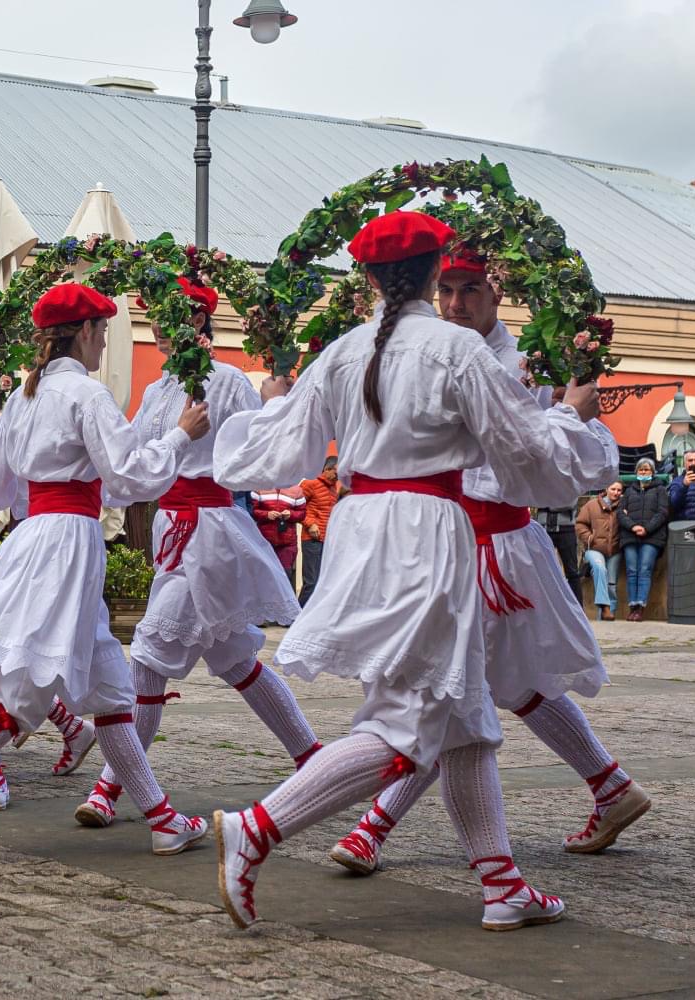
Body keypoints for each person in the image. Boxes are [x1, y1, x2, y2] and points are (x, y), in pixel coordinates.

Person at [209, 212, 609, 932]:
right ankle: (257, 828)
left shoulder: (346, 349)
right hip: (427, 535)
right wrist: (575, 419)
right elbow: (524, 456)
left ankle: (501, 884)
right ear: (433, 273)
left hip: (364, 530)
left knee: (466, 720)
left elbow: (282, 451)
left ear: (366, 279)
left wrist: (269, 406)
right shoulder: (455, 350)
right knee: (402, 724)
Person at [327, 247, 642, 878]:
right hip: (448, 544)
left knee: (446, 690)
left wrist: (562, 414)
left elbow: (582, 454)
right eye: (449, 291)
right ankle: (609, 786)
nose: (455, 304)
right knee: (506, 686)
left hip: (493, 548)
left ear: (498, 293)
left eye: (470, 291)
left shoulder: (524, 363)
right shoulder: (436, 349)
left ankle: (373, 826)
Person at [0, 283, 213, 864]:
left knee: (112, 689)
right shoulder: (87, 393)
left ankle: (162, 820)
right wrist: (180, 436)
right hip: (66, 546)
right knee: (19, 698)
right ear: (85, 332)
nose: (104, 341)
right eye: (103, 331)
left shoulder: (24, 398)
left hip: (41, 539)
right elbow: (130, 476)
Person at [76, 276, 318, 830]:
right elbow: (135, 457)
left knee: (151, 656)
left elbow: (256, 443)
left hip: (209, 532)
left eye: (171, 316)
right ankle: (311, 755)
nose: (158, 327)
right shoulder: (159, 391)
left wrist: (276, 402)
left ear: (200, 320)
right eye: (154, 317)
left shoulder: (228, 381)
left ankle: (113, 787)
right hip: (173, 527)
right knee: (236, 661)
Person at [618, 457, 668, 621]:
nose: (644, 472)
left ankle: (640, 607)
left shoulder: (660, 489)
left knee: (644, 570)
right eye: (641, 469)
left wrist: (647, 529)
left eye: (647, 470)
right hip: (630, 536)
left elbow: (662, 513)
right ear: (636, 472)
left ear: (653, 472)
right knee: (632, 571)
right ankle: (632, 606)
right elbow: (620, 513)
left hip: (651, 537)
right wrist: (633, 527)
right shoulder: (629, 491)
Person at [576, 481, 623, 621]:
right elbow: (580, 524)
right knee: (599, 568)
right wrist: (589, 538)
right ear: (606, 489)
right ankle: (605, 607)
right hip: (594, 548)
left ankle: (605, 619)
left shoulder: (624, 506)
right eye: (613, 489)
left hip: (615, 549)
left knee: (611, 584)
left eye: (619, 490)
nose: (616, 492)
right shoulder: (591, 505)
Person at [297, 457, 338, 605]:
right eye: (336, 472)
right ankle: (298, 615)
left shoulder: (333, 488)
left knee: (322, 581)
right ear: (327, 469)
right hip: (311, 539)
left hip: (326, 540)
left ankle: (311, 616)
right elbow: (298, 508)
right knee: (311, 582)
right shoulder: (310, 483)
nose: (338, 477)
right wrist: (310, 524)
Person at [251, 484, 306, 585]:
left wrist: (291, 514)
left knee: (285, 576)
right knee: (264, 576)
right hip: (264, 541)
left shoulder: (296, 490)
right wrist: (266, 514)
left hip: (287, 542)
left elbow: (302, 513)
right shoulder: (260, 486)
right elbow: (252, 511)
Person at [534, 502, 582, 603]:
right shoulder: (541, 485)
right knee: (540, 571)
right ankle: (542, 608)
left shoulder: (569, 485)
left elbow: (570, 502)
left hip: (566, 529)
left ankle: (578, 610)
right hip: (543, 528)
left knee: (572, 572)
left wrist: (546, 505)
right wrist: (555, 503)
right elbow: (534, 500)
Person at [667, 448, 695, 521]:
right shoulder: (677, 481)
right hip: (683, 526)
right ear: (685, 463)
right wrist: (684, 485)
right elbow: (673, 505)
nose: (693, 463)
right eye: (690, 460)